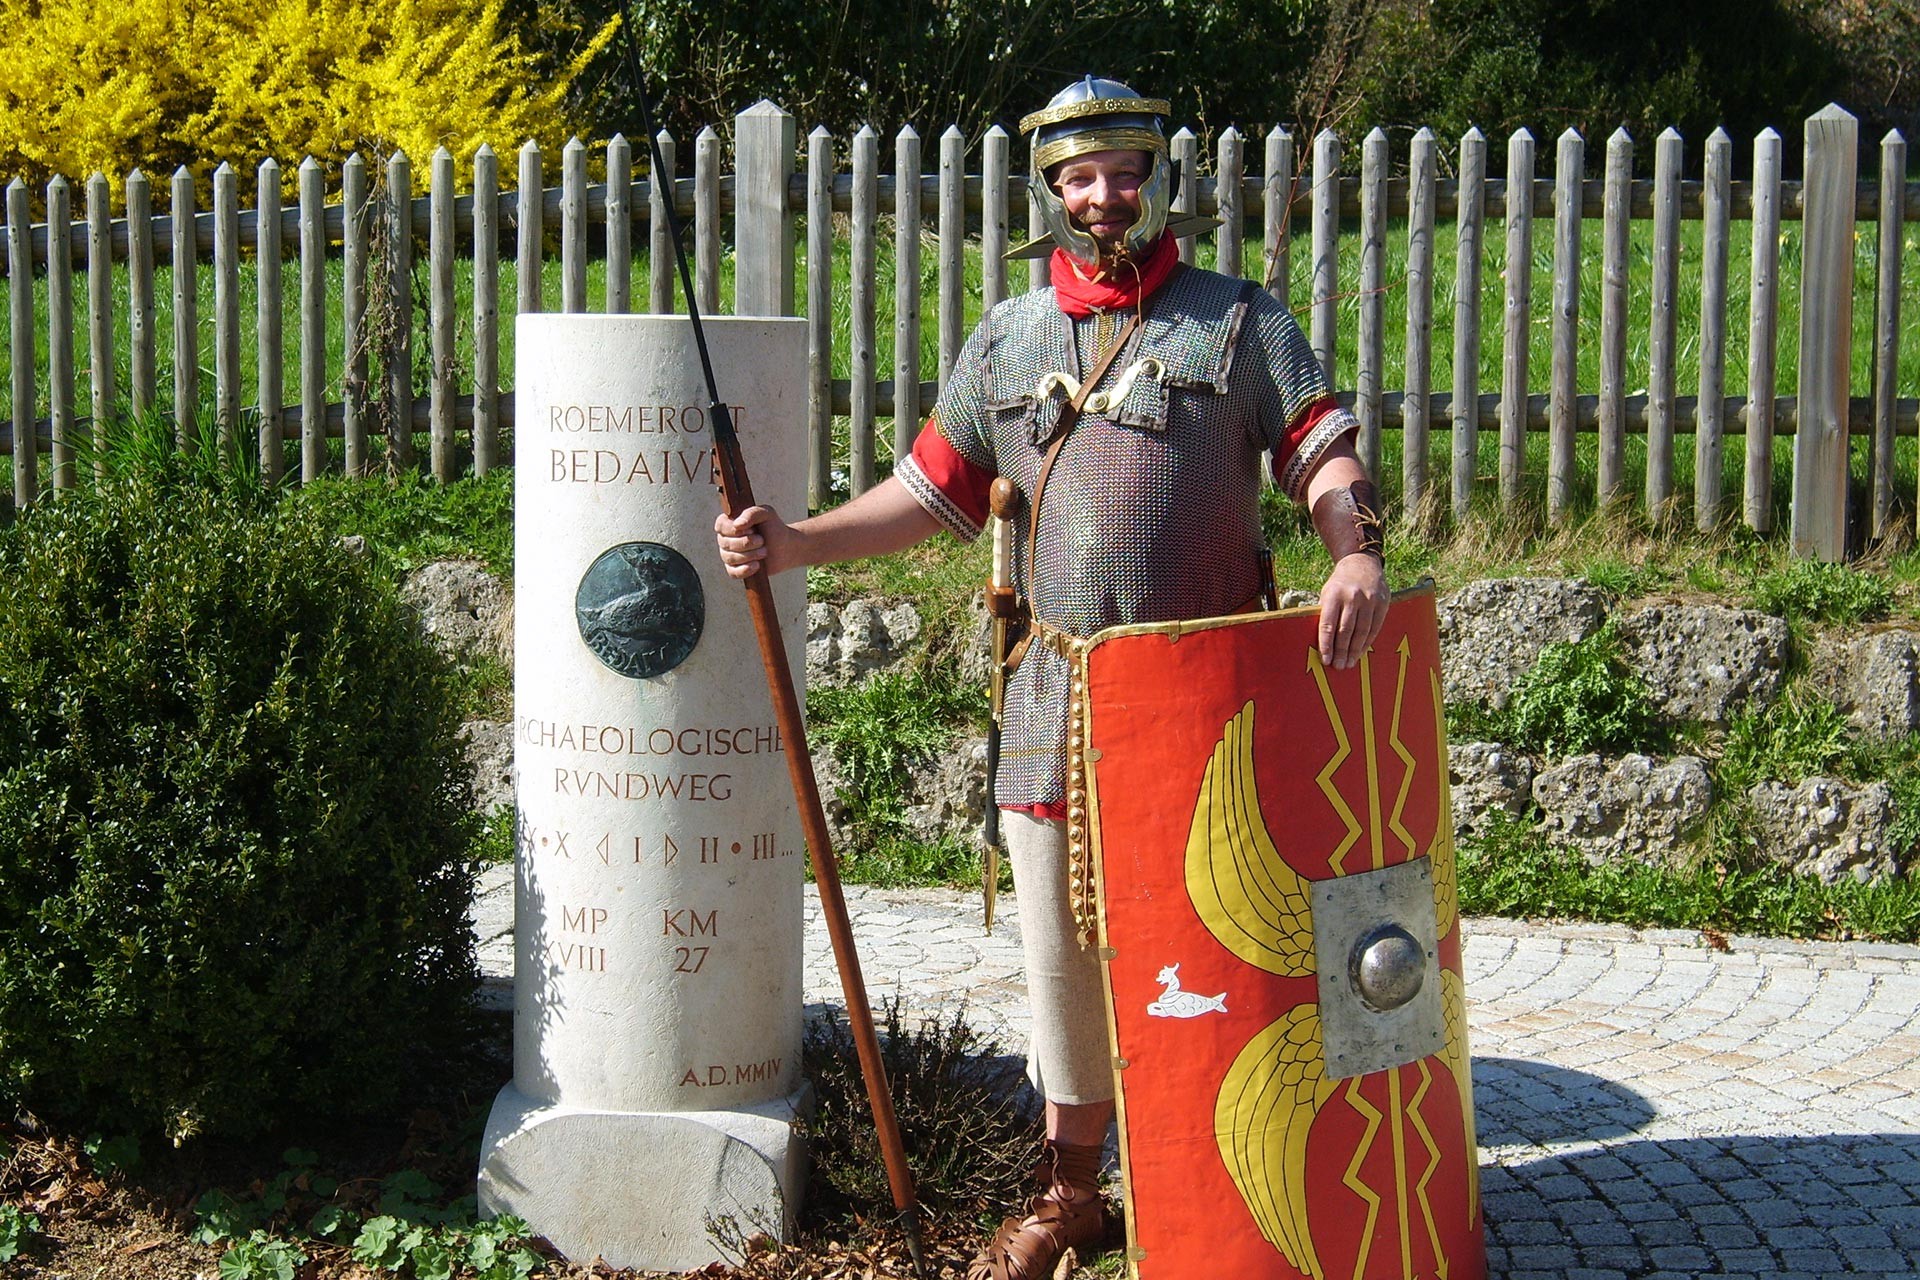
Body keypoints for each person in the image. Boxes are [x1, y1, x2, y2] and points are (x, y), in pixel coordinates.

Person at [716, 76, 1390, 1280]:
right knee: (1063, 957)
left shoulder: (1235, 322)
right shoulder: (1010, 340)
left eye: (1123, 171)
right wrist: (799, 538)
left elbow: (1320, 450)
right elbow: (928, 492)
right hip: (1056, 696)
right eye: (1081, 176)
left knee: (1217, 939)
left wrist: (1355, 550)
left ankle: (1225, 1183)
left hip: (1207, 701)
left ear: (1157, 178)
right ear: (1052, 192)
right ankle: (1074, 1191)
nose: (1103, 195)